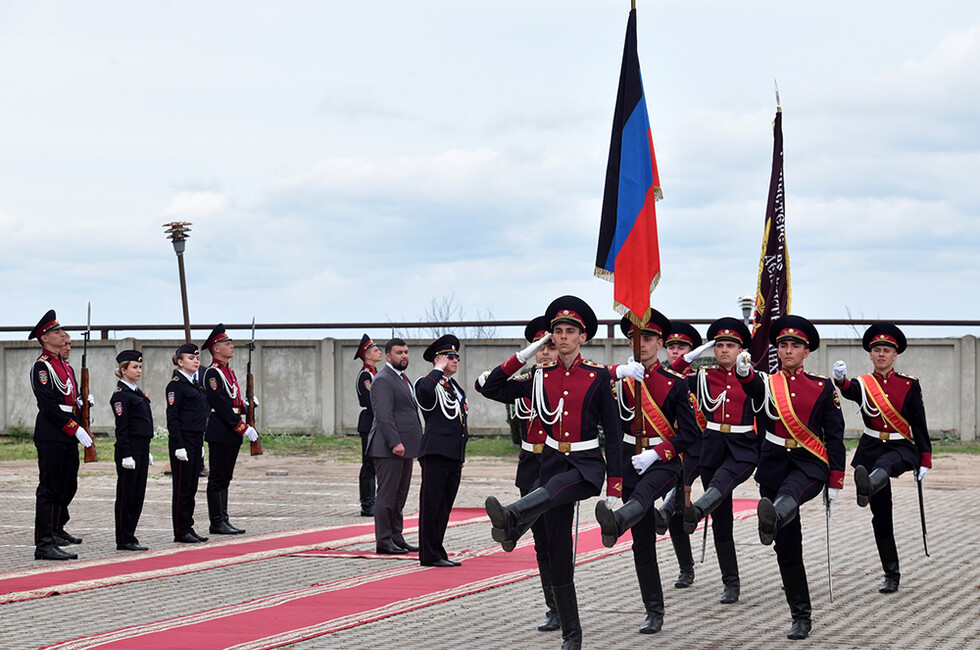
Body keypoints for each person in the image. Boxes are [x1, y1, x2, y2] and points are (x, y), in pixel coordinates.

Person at [482, 295, 621, 650]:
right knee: (557, 548)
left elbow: (615, 432)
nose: (561, 336)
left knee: (556, 488)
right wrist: (526, 353)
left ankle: (513, 517)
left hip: (584, 466)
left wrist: (617, 483)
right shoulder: (540, 375)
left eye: (569, 331)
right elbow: (492, 387)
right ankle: (571, 633)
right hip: (549, 468)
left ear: (582, 336)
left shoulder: (598, 377)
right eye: (556, 332)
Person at [736, 315, 845, 640]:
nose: (787, 350)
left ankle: (770, 518)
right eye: (782, 345)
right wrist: (744, 374)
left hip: (809, 463)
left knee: (790, 495)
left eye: (794, 345)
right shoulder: (768, 383)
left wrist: (836, 479)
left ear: (806, 351)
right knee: (787, 546)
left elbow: (836, 436)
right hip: (773, 465)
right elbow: (754, 388)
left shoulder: (823, 386)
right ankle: (800, 615)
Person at [594, 311, 700, 635]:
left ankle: (619, 521)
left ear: (660, 343)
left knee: (644, 496)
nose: (642, 344)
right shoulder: (620, 381)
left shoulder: (676, 384)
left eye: (649, 339)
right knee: (642, 543)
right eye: (636, 339)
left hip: (663, 461)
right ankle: (653, 610)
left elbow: (691, 435)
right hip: (629, 459)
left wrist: (657, 451)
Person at [475, 315, 562, 632]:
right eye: (540, 348)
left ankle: (512, 527)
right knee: (542, 543)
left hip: (558, 467)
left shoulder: (569, 381)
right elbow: (487, 386)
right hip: (530, 466)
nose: (545, 354)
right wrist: (521, 358)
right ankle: (553, 608)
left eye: (549, 347)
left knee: (556, 541)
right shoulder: (529, 381)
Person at [832, 322, 931, 594]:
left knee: (884, 466)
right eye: (876, 350)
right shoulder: (864, 384)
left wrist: (925, 460)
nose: (881, 355)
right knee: (881, 515)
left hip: (901, 447)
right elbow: (850, 391)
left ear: (895, 355)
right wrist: (840, 380)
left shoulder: (909, 384)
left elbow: (919, 423)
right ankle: (891, 572)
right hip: (871, 445)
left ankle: (867, 485)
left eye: (886, 350)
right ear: (871, 354)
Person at [676, 317, 757, 605]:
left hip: (743, 449)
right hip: (712, 447)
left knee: (720, 486)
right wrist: (693, 354)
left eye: (730, 345)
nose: (724, 350)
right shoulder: (702, 376)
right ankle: (730, 582)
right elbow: (670, 376)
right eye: (719, 345)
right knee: (722, 521)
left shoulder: (752, 376)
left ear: (740, 349)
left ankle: (696, 511)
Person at [29, 309, 93, 561]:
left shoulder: (63, 366)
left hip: (67, 434)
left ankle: (55, 531)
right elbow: (48, 404)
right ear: (45, 338)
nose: (62, 335)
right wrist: (73, 427)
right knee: (49, 489)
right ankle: (44, 544)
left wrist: (82, 405)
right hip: (52, 433)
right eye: (57, 332)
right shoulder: (42, 367)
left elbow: (68, 398)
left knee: (67, 484)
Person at [655, 320, 710, 590]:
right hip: (675, 446)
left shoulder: (700, 377)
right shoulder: (661, 379)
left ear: (693, 350)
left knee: (682, 495)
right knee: (678, 499)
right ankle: (685, 568)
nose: (676, 352)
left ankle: (664, 513)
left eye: (682, 347)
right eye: (672, 347)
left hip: (703, 447)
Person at [414, 334, 469, 567]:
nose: (455, 360)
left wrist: (461, 454)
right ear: (439, 360)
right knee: (431, 505)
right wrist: (437, 369)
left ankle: (438, 548)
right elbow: (425, 393)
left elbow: (461, 421)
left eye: (456, 356)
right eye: (450, 357)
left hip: (453, 454)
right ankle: (428, 554)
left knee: (445, 506)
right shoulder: (427, 382)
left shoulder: (453, 387)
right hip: (435, 453)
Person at [366, 338, 423, 555]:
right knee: (387, 496)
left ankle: (397, 537)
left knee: (399, 496)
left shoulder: (402, 378)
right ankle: (384, 541)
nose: (404, 356)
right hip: (389, 448)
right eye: (399, 353)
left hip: (405, 448)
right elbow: (383, 415)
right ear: (388, 356)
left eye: (406, 352)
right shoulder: (383, 379)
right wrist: (395, 442)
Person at [202, 324, 259, 535]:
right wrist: (243, 427)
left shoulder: (228, 371)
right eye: (226, 343)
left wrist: (247, 406)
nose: (231, 346)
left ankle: (224, 518)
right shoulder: (213, 373)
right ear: (216, 348)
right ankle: (216, 521)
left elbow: (233, 400)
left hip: (231, 429)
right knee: (217, 477)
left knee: (226, 476)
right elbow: (221, 405)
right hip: (222, 428)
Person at [109, 350, 153, 551]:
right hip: (129, 450)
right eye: (134, 367)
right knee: (127, 495)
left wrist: (147, 449)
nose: (139, 370)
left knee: (138, 494)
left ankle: (131, 535)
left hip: (141, 448)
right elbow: (122, 428)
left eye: (140, 367)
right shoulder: (121, 396)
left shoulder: (136, 392)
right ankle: (123, 538)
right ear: (123, 370)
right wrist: (126, 453)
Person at [166, 342, 210, 544]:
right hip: (183, 441)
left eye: (197, 358)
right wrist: (178, 446)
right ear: (180, 361)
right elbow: (172, 418)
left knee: (192, 486)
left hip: (195, 439)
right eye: (191, 358)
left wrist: (199, 442)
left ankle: (188, 526)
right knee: (182, 487)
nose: (195, 361)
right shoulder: (176, 385)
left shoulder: (195, 383)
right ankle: (180, 530)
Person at [354, 334, 381, 517]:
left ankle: (376, 500)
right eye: (375, 350)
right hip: (370, 421)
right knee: (369, 464)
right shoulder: (366, 376)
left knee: (378, 463)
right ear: (367, 355)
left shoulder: (375, 373)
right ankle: (367, 503)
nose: (379, 352)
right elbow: (372, 401)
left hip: (377, 422)